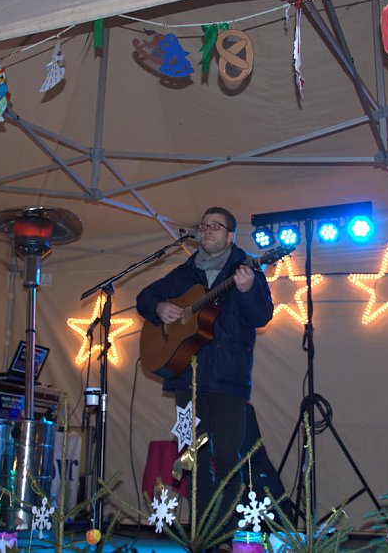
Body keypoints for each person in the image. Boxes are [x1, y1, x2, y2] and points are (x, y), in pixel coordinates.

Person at [136, 207, 273, 539]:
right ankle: (201, 534)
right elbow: (145, 297)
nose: (208, 230)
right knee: (192, 462)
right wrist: (159, 309)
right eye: (204, 225)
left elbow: (262, 315)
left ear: (230, 236)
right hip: (187, 381)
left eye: (216, 226)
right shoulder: (187, 271)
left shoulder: (246, 270)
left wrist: (246, 290)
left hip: (228, 383)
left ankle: (223, 534)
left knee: (228, 460)